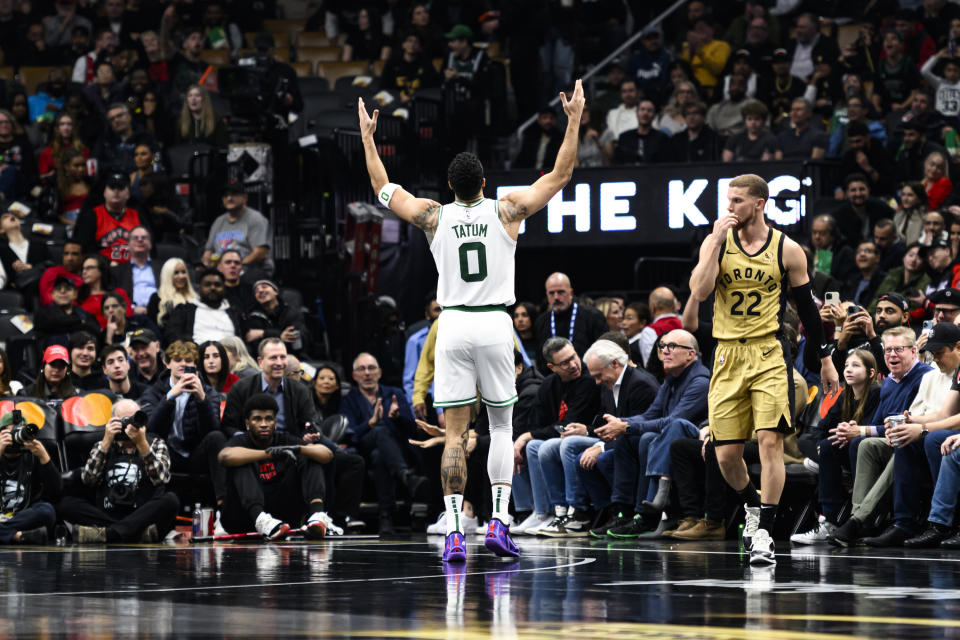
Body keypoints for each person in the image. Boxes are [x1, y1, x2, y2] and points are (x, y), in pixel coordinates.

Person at [359, 78, 585, 562]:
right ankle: (500, 521)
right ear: (484, 183)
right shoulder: (507, 210)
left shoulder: (433, 215)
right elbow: (561, 175)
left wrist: (367, 140)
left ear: (450, 187)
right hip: (494, 323)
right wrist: (574, 119)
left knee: (456, 432)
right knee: (501, 428)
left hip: (453, 325)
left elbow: (382, 189)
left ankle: (456, 530)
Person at [688, 173, 839, 566]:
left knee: (769, 441)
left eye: (737, 201)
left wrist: (824, 358)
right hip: (726, 354)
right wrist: (714, 244)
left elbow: (807, 309)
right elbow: (700, 292)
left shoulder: (787, 249)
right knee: (725, 456)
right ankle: (753, 505)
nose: (729, 208)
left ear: (759, 203)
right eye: (728, 200)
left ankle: (766, 533)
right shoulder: (717, 242)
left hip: (769, 352)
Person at [789, 349, 881, 544]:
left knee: (844, 443)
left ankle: (850, 518)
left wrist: (848, 430)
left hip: (868, 451)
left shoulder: (876, 392)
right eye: (846, 365)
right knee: (820, 443)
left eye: (856, 366)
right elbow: (821, 427)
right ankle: (829, 520)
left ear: (871, 373)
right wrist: (837, 434)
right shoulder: (845, 394)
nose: (848, 370)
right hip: (846, 449)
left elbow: (872, 424)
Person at [56, 399, 179, 543]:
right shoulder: (102, 445)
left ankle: (109, 534)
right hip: (107, 513)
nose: (129, 425)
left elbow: (161, 480)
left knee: (171, 500)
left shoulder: (155, 443)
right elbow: (88, 479)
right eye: (124, 420)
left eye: (133, 419)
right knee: (65, 504)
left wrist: (142, 444)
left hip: (141, 513)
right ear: (112, 421)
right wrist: (106, 442)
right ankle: (133, 533)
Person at [218, 393, 334, 540]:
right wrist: (268, 454)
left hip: (280, 518)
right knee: (240, 461)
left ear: (275, 422)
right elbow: (224, 456)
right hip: (242, 517)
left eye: (268, 418)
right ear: (247, 423)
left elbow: (327, 454)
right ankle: (260, 519)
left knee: (310, 455)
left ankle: (317, 516)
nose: (264, 424)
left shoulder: (284, 439)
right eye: (257, 419)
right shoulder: (240, 441)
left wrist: (298, 449)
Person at [341, 352, 426, 535]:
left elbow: (412, 429)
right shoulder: (348, 400)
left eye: (371, 368)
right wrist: (370, 424)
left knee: (380, 456)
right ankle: (406, 477)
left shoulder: (394, 394)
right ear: (354, 375)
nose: (367, 373)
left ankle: (385, 516)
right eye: (361, 369)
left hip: (395, 451)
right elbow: (349, 434)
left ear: (379, 372)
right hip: (363, 452)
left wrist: (397, 418)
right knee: (378, 432)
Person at [141, 340, 226, 508]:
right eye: (178, 360)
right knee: (148, 438)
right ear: (167, 363)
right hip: (166, 454)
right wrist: (170, 396)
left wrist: (202, 400)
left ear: (195, 365)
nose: (183, 364)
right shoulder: (153, 392)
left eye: (188, 361)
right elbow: (151, 429)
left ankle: (224, 506)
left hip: (195, 454)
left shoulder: (208, 392)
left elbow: (212, 431)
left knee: (217, 437)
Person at [0, 411, 61, 545]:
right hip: (17, 523)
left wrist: (45, 458)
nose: (15, 438)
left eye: (19, 433)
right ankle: (17, 536)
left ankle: (4, 533)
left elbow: (57, 494)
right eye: (10, 433)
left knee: (46, 510)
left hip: (23, 516)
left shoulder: (33, 456)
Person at [201, 181, 274, 277]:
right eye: (225, 196)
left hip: (250, 270)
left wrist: (234, 268)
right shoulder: (219, 221)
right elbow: (208, 251)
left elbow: (259, 253)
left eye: (234, 194)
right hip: (222, 272)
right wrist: (206, 265)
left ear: (245, 198)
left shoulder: (256, 219)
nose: (229, 198)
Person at [74, 172, 144, 264]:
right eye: (112, 187)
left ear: (128, 193)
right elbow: (85, 249)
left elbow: (148, 247)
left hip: (133, 268)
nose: (116, 191)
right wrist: (105, 264)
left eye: (121, 188)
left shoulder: (138, 216)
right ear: (104, 192)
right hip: (101, 270)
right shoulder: (92, 216)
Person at [164, 269, 243, 345]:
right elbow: (173, 337)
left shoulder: (234, 313)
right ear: (199, 289)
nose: (213, 288)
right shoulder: (184, 311)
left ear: (224, 289)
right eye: (207, 285)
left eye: (217, 285)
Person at [245, 279, 307, 356]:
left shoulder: (291, 312)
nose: (260, 291)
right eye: (256, 291)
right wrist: (281, 335)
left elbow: (298, 337)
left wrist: (263, 333)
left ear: (276, 292)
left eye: (264, 287)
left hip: (293, 356)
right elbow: (257, 345)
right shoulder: (253, 316)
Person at [110, 226, 161, 317]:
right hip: (130, 315)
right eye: (135, 238)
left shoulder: (162, 267)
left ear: (150, 244)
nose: (140, 240)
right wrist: (132, 308)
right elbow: (114, 297)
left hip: (160, 313)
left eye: (144, 238)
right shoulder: (118, 271)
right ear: (128, 245)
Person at [77, 254, 133, 329]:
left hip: (118, 335)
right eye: (83, 269)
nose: (84, 272)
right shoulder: (78, 296)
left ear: (101, 270)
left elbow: (129, 318)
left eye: (89, 268)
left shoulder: (119, 293)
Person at [37, 111, 89, 178]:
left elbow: (89, 173)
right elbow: (42, 177)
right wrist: (50, 176)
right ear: (57, 128)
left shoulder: (84, 151)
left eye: (69, 124)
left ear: (74, 128)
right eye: (62, 124)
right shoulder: (47, 152)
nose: (66, 128)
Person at [150, 257, 196, 327]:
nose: (181, 276)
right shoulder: (156, 298)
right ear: (167, 276)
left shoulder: (196, 298)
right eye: (176, 273)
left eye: (183, 272)